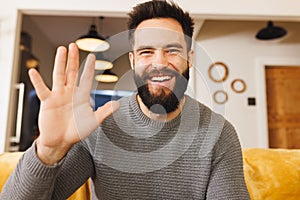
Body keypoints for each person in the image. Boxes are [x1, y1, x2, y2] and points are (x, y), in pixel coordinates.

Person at [1, 0, 250, 199]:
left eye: (172, 50)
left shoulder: (218, 133)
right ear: (132, 61)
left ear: (190, 58)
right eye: (146, 52)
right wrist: (48, 150)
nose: (160, 63)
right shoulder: (98, 127)